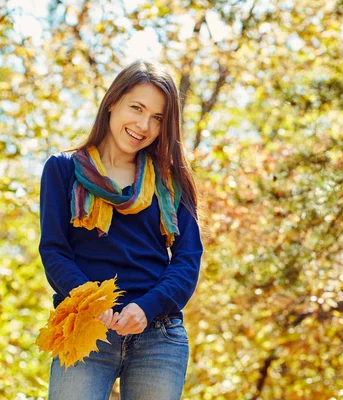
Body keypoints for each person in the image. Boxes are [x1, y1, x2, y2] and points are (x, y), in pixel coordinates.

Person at [39, 60, 203, 400]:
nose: (144, 125)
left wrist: (148, 307)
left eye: (157, 118)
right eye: (137, 108)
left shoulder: (171, 182)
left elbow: (187, 258)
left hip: (159, 334)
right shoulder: (62, 169)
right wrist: (92, 302)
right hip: (84, 326)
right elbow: (54, 250)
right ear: (113, 101)